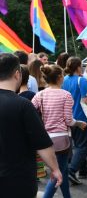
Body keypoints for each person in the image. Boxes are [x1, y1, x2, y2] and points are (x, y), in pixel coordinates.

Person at [0, 53, 62, 198]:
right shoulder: (23, 105)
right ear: (17, 74)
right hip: (17, 180)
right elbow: (42, 144)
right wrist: (55, 168)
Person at [32, 64, 87, 198]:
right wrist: (79, 123)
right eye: (62, 75)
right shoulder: (66, 95)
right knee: (58, 173)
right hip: (62, 139)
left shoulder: (40, 95)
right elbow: (68, 121)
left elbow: (31, 112)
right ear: (59, 77)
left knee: (62, 170)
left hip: (46, 139)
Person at [62, 57, 87, 185]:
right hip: (82, 118)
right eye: (81, 65)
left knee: (78, 145)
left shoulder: (63, 80)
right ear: (78, 67)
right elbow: (86, 100)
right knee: (83, 146)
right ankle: (72, 170)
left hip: (69, 118)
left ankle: (83, 170)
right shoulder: (82, 80)